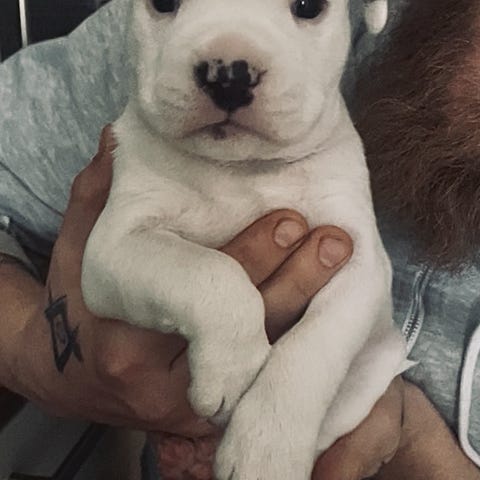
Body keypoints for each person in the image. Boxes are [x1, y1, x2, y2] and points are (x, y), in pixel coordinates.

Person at [0, 0, 478, 479]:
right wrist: (29, 347)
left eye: (306, 7)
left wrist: (307, 415)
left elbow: (361, 280)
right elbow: (112, 256)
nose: (228, 71)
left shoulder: (332, 154)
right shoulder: (133, 95)